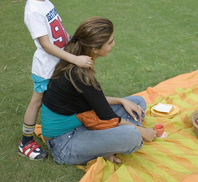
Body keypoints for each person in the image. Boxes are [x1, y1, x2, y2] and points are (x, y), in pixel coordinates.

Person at [41, 17, 157, 165]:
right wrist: (145, 133)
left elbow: (95, 101)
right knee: (132, 135)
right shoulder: (80, 75)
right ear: (94, 48)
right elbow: (108, 117)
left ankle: (103, 146)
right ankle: (104, 148)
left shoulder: (76, 60)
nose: (113, 44)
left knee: (137, 102)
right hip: (63, 143)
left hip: (83, 120)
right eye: (110, 42)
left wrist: (122, 100)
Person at [15, 0, 93, 160]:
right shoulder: (32, 10)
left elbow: (58, 32)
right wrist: (74, 59)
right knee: (37, 101)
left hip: (59, 64)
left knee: (60, 99)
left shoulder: (45, 2)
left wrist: (73, 42)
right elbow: (46, 45)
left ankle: (63, 128)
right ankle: (25, 142)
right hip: (46, 69)